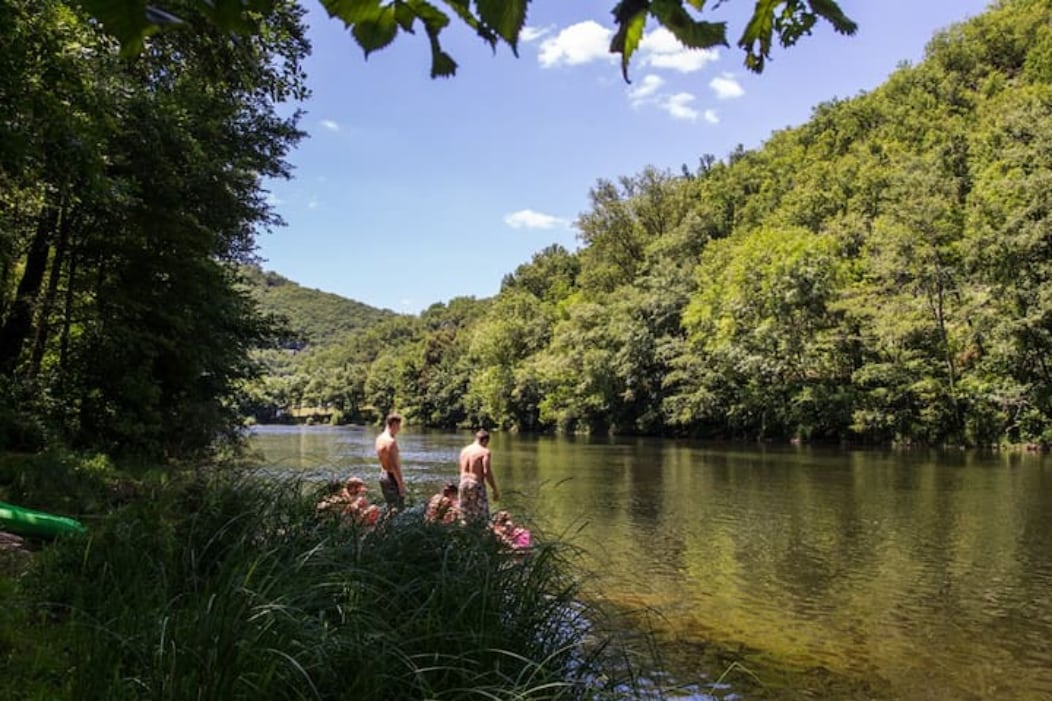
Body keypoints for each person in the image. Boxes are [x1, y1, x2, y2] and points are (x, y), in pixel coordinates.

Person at [458, 428, 498, 524]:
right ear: (485, 440)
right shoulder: (484, 451)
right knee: (482, 516)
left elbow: (460, 469)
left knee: (464, 515)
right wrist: (494, 489)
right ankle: (482, 537)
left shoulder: (464, 451)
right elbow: (486, 471)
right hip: (476, 484)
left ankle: (464, 536)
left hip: (463, 483)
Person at [375, 412, 406, 510]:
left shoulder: (379, 439)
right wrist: (401, 485)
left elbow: (382, 460)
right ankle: (391, 525)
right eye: (398, 426)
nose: (399, 429)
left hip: (383, 475)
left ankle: (384, 523)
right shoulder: (391, 442)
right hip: (391, 477)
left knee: (390, 506)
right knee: (398, 508)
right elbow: (394, 467)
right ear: (393, 424)